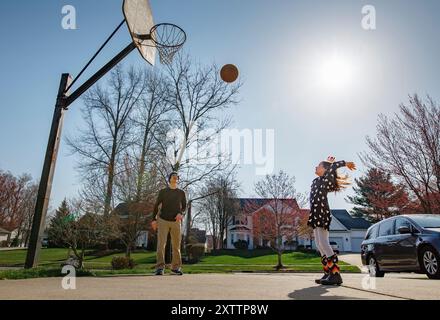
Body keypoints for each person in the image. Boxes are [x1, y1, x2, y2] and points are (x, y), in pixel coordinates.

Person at [308, 156, 356, 285]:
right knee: (319, 245)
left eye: (318, 165)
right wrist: (328, 164)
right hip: (315, 214)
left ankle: (336, 275)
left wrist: (343, 163)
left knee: (324, 243)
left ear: (325, 170)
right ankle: (328, 273)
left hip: (322, 214)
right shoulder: (315, 181)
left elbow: (332, 168)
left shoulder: (325, 181)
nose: (316, 167)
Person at [151, 172, 187, 276]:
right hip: (163, 220)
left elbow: (184, 207)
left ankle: (175, 268)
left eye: (177, 177)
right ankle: (160, 268)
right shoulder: (163, 192)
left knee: (176, 246)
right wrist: (153, 219)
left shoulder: (181, 193)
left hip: (176, 221)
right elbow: (156, 205)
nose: (175, 177)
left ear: (178, 180)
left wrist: (181, 213)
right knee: (161, 244)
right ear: (169, 179)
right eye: (173, 176)